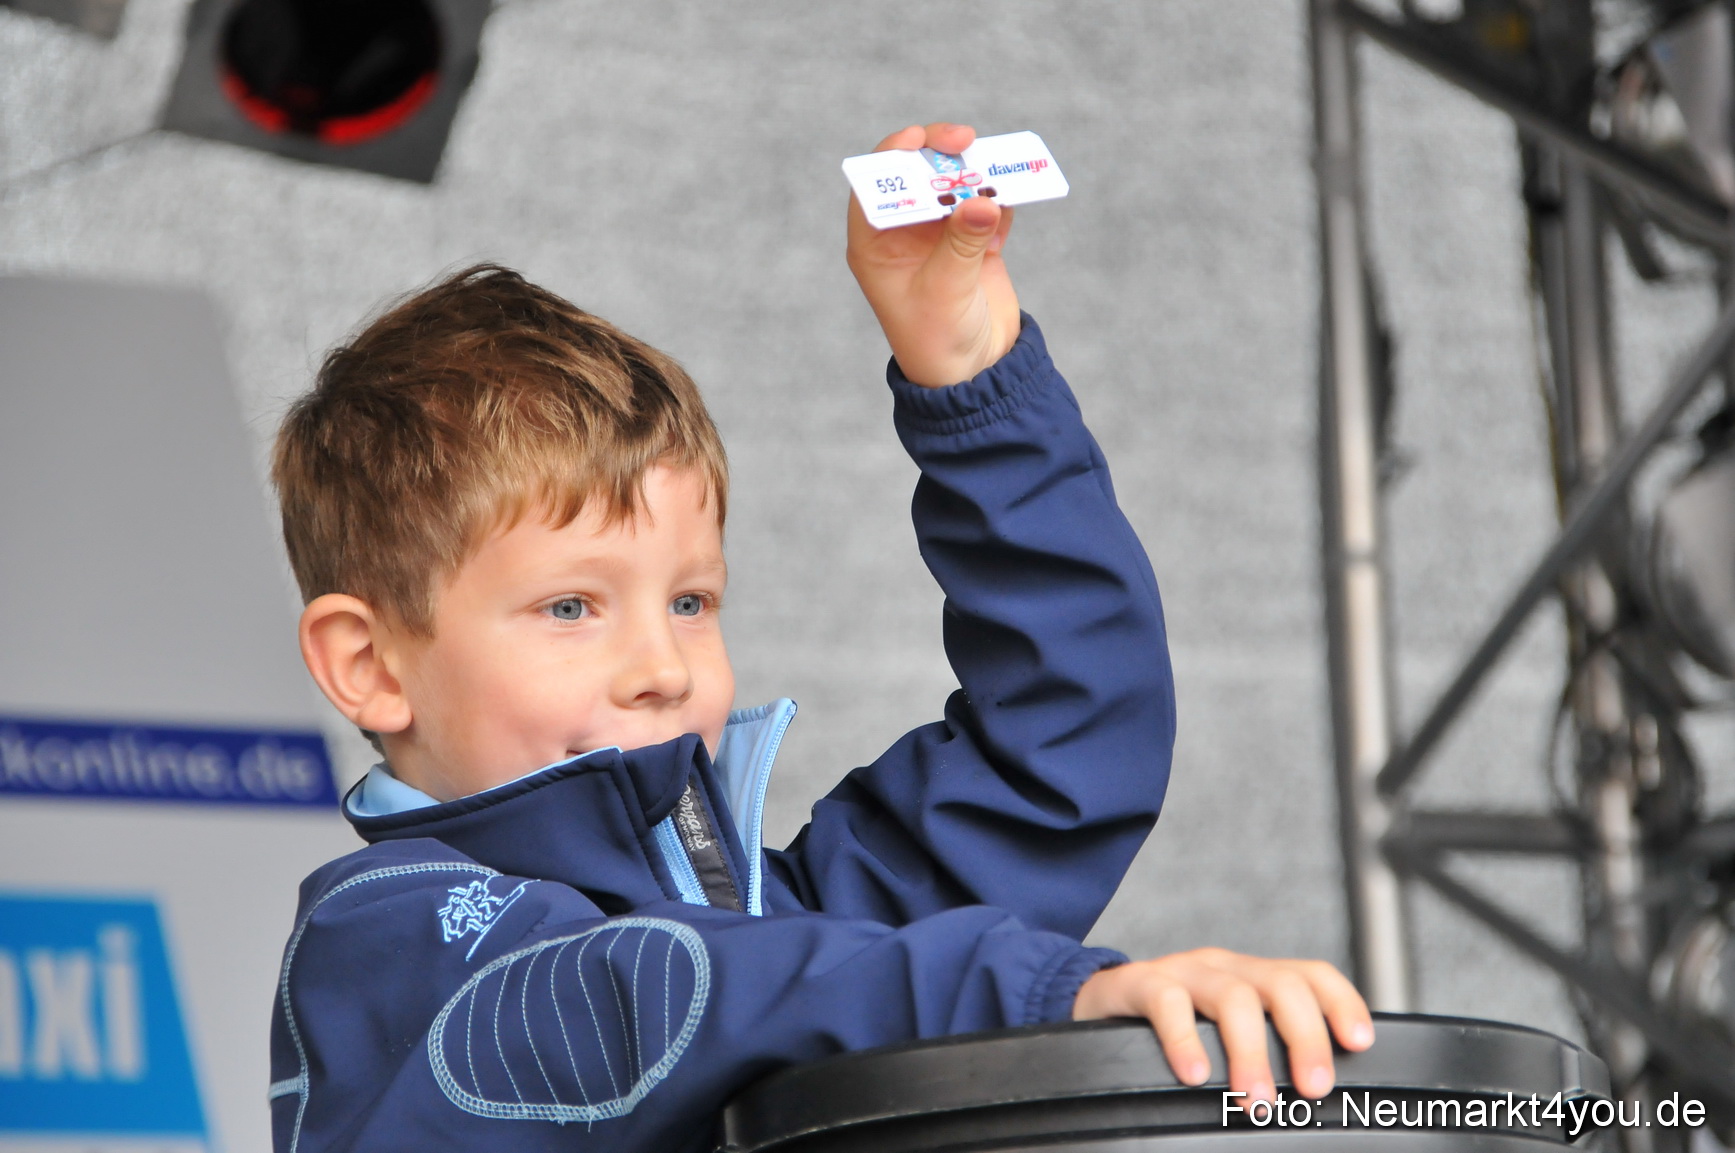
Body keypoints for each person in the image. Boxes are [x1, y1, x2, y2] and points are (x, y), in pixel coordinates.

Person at [266, 122, 1372, 1152]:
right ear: (368, 665)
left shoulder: (784, 931)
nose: (661, 668)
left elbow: (1064, 744)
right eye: (571, 607)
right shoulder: (390, 945)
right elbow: (650, 989)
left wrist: (972, 376)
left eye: (691, 603)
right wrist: (1037, 995)